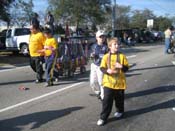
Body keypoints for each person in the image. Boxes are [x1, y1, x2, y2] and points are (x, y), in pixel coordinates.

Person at [97, 37, 129, 126]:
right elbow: (102, 67)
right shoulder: (106, 56)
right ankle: (103, 117)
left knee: (119, 99)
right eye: (115, 44)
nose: (117, 46)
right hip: (108, 82)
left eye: (118, 44)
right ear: (110, 46)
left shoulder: (122, 56)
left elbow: (126, 69)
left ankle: (120, 111)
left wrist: (121, 66)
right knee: (107, 100)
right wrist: (107, 71)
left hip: (119, 83)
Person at [90, 30, 108, 100]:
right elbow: (90, 56)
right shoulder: (93, 46)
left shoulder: (106, 47)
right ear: (97, 37)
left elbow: (108, 56)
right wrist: (92, 55)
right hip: (94, 65)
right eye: (100, 37)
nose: (102, 38)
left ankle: (103, 97)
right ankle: (98, 92)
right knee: (92, 82)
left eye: (103, 36)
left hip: (102, 66)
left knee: (101, 82)